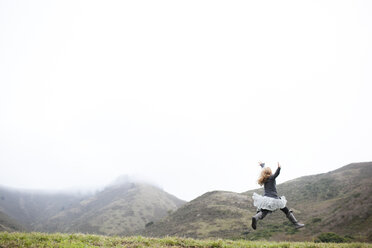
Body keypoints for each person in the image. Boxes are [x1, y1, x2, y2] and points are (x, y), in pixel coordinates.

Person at [251, 162, 305, 230]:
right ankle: (296, 224)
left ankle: (256, 217)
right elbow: (276, 174)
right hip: (274, 199)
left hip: (266, 199)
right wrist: (279, 168)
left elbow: (265, 170)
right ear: (270, 172)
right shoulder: (271, 177)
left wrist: (262, 165)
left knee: (264, 212)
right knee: (285, 209)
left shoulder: (265, 178)